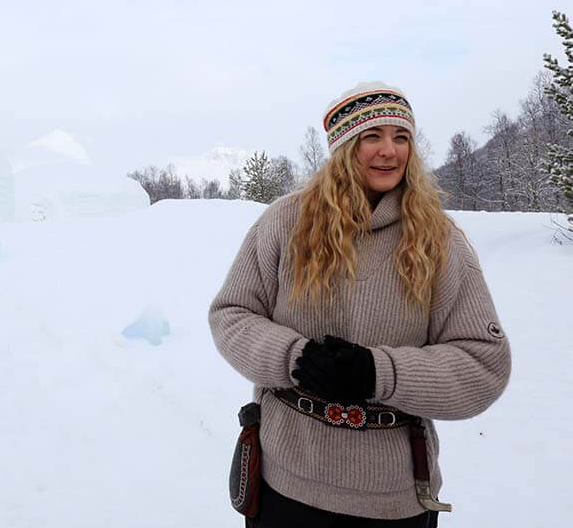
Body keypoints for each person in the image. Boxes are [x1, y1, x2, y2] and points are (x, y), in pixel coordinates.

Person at [209, 81, 512, 527]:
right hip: (284, 485)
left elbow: (483, 365)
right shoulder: (284, 222)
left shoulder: (439, 241)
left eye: (401, 137)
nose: (389, 151)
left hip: (392, 500)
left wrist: (378, 373)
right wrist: (296, 358)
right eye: (372, 136)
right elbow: (232, 315)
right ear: (345, 147)